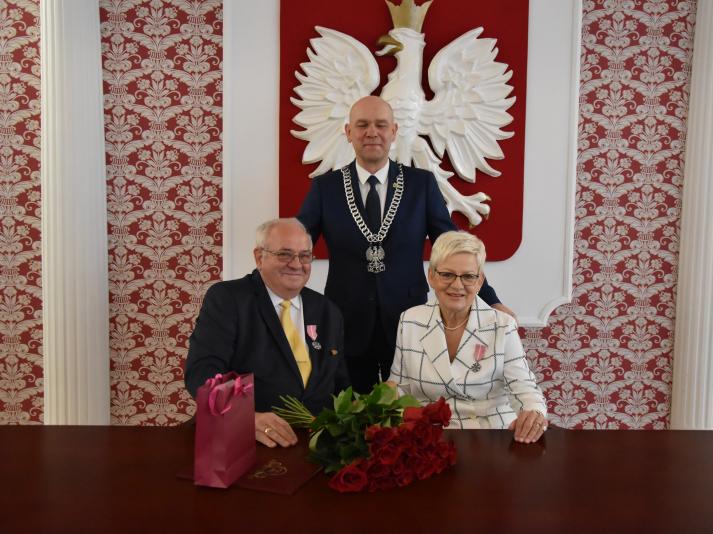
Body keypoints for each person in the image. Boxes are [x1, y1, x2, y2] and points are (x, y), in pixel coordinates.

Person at [297, 95, 514, 393]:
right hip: (346, 320)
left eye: (380, 125)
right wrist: (270, 295)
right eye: (362, 125)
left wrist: (491, 300)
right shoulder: (326, 187)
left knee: (407, 413)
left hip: (409, 321)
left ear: (394, 131)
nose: (371, 132)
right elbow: (296, 247)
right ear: (348, 132)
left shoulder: (421, 184)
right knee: (349, 412)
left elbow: (454, 248)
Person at [185, 218, 349, 448]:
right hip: (244, 443)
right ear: (259, 257)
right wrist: (243, 418)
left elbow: (340, 386)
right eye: (284, 254)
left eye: (304, 256)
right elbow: (202, 372)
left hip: (314, 446)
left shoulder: (327, 311)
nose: (296, 264)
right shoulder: (228, 299)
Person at [387, 231, 547, 443]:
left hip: (491, 435)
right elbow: (399, 387)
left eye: (468, 276)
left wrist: (534, 413)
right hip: (429, 435)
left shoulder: (503, 325)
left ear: (479, 281)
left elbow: (524, 388)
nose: (457, 285)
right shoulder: (410, 320)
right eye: (447, 274)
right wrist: (372, 411)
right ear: (431, 276)